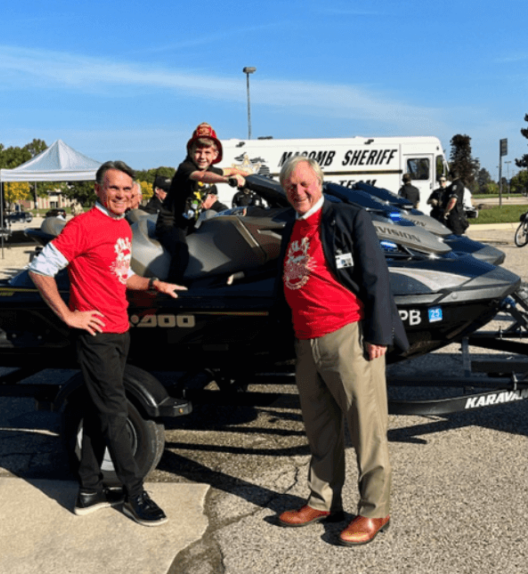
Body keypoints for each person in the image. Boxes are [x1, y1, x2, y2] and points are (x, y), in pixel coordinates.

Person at [27, 160, 186, 526]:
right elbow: (40, 268)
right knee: (115, 412)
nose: (122, 195)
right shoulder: (84, 225)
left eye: (127, 189)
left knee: (100, 410)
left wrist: (152, 284)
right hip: (95, 335)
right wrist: (69, 314)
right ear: (99, 189)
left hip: (119, 329)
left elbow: (121, 273)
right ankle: (135, 493)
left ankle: (88, 490)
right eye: (114, 188)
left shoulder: (122, 226)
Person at [274, 156, 409, 547]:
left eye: (304, 184)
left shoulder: (348, 217)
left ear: (319, 182)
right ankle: (323, 500)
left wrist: (378, 334)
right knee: (320, 427)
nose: (297, 191)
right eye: (290, 187)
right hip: (305, 339)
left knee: (367, 428)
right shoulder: (292, 226)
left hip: (347, 335)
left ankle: (374, 510)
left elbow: (374, 277)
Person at [156, 122, 248, 282]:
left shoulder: (210, 168)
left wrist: (252, 178)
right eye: (198, 152)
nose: (203, 156)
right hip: (170, 224)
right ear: (191, 152)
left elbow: (232, 170)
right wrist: (227, 180)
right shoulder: (186, 167)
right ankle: (171, 291)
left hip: (188, 225)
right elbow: (202, 176)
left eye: (207, 152)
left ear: (215, 154)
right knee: (181, 252)